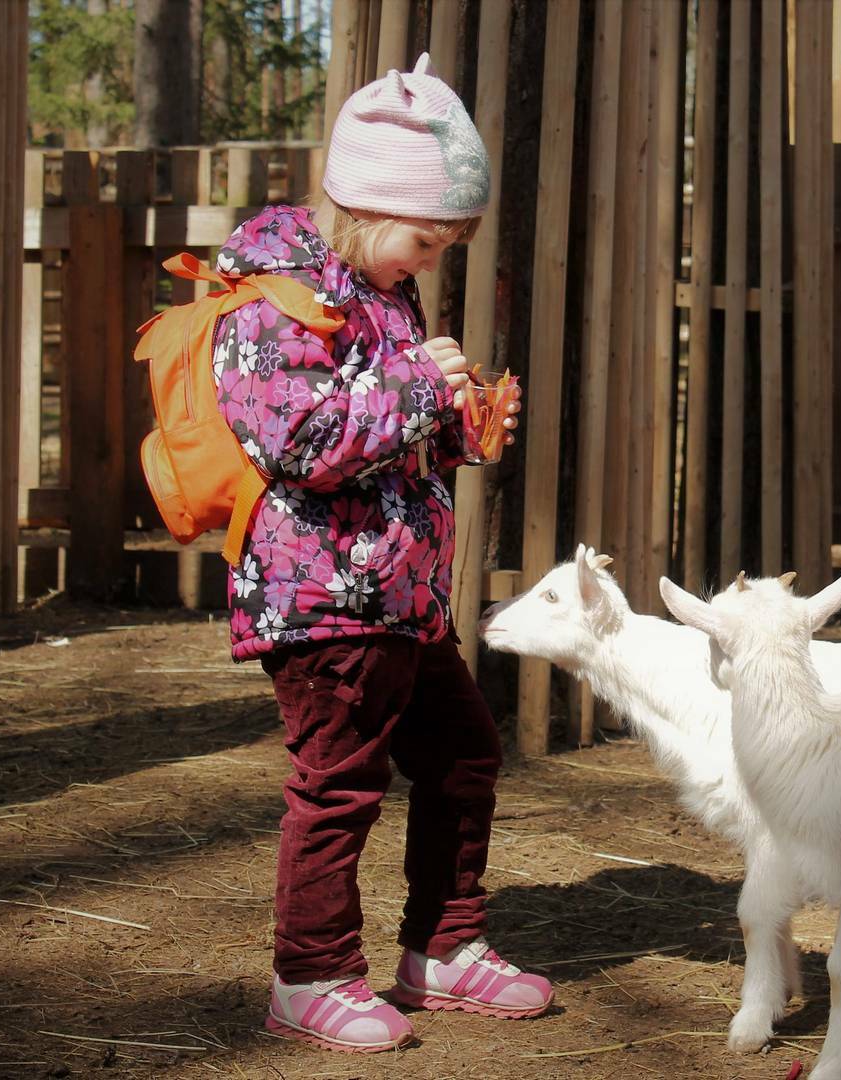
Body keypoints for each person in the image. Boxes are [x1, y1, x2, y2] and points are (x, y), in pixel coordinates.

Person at [210, 55, 548, 1054]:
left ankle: (442, 949)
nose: (430, 259)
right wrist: (417, 395)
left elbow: (389, 425)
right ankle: (309, 974)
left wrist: (460, 424)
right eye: (424, 237)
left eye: (445, 243)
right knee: (339, 780)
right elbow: (294, 441)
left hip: (395, 591)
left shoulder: (378, 287)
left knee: (462, 755)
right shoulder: (272, 296)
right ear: (363, 203)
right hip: (321, 597)